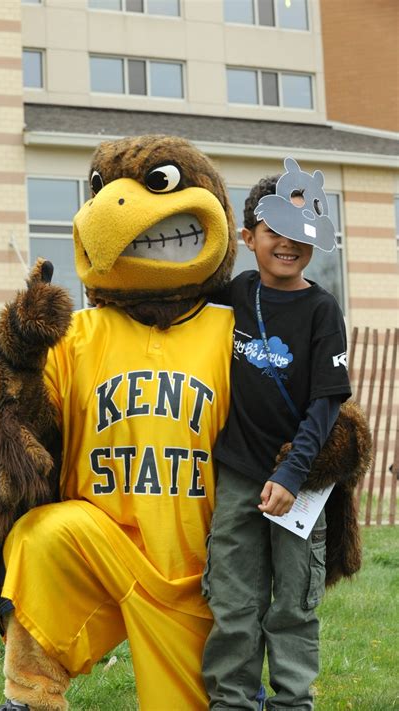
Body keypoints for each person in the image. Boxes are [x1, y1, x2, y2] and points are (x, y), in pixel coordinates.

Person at [202, 171, 352, 711]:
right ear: (248, 237)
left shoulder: (322, 311)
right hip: (238, 476)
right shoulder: (233, 295)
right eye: (274, 228)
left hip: (301, 480)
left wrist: (291, 476)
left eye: (301, 230)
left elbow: (326, 404)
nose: (288, 241)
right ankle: (234, 701)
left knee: (293, 603)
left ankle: (292, 703)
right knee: (233, 603)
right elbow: (171, 303)